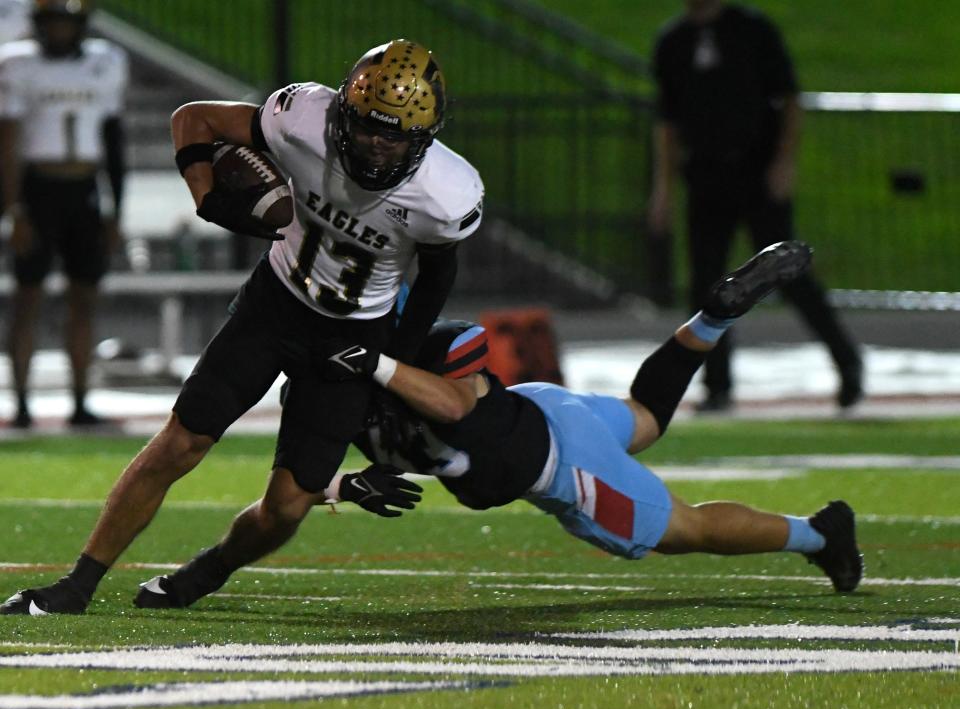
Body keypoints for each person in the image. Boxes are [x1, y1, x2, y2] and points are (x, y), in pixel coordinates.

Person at [0, 39, 483, 615]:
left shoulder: (445, 194)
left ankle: (207, 571)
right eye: (368, 127)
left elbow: (433, 283)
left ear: (425, 137)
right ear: (343, 114)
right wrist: (206, 195)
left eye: (397, 134)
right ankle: (77, 583)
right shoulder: (303, 117)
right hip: (275, 303)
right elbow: (193, 118)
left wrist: (390, 372)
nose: (379, 146)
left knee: (288, 505)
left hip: (355, 335)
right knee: (181, 441)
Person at [127, 241, 860, 612]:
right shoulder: (334, 384)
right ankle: (716, 317)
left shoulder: (415, 356)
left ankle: (821, 532)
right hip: (546, 408)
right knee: (645, 417)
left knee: (689, 530)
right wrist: (345, 486)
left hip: (556, 463)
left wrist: (374, 364)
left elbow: (456, 403)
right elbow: (301, 485)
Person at [647, 0, 862, 412]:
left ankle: (846, 361)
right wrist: (663, 189)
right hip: (706, 176)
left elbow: (788, 99)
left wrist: (783, 162)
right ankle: (717, 385)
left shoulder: (751, 30)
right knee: (707, 284)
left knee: (789, 273)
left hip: (755, 171)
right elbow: (668, 123)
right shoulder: (673, 42)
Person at [0, 0, 127, 427]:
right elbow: (9, 142)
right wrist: (14, 208)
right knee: (27, 298)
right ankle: (20, 401)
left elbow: (113, 138)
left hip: (85, 188)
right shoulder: (18, 65)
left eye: (66, 23)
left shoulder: (104, 62)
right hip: (39, 188)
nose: (59, 31)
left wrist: (115, 209)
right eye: (52, 22)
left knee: (84, 298)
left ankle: (80, 398)